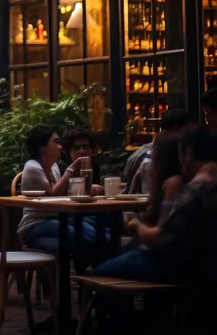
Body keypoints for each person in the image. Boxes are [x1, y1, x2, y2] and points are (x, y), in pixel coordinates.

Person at [93, 127, 217, 283]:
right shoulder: (207, 181)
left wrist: (137, 225)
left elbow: (161, 237)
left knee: (97, 274)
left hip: (178, 266)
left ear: (188, 153)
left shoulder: (196, 187)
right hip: (202, 267)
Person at [17, 126, 103, 257]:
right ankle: (108, 245)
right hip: (34, 225)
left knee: (83, 233)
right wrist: (69, 171)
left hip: (55, 219)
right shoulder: (32, 167)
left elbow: (65, 194)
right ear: (43, 148)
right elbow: (54, 194)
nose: (60, 147)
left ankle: (105, 247)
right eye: (56, 142)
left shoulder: (54, 167)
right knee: (77, 235)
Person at [124, 108, 195, 192]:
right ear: (176, 128)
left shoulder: (150, 152)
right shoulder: (154, 159)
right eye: (188, 129)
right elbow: (149, 195)